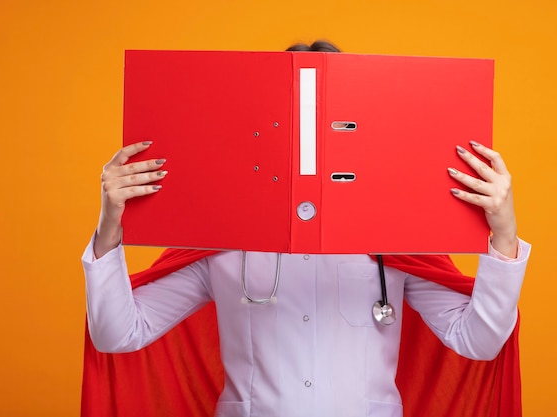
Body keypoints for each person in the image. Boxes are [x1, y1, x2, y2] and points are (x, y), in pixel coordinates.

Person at [82, 41, 531, 417]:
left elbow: (479, 341)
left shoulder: (393, 243)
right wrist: (109, 226)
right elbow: (118, 333)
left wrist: (504, 238)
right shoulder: (221, 245)